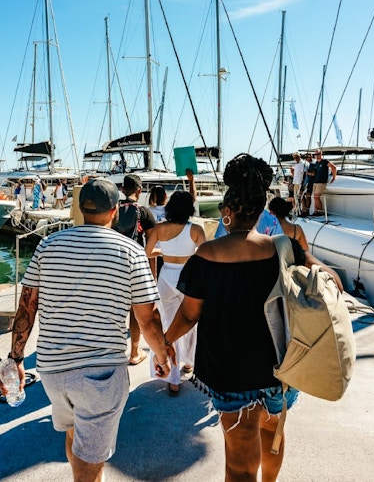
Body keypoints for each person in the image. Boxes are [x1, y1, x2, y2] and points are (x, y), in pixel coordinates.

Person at [163, 153, 343, 482]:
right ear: (261, 212)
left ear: (227, 213)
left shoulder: (206, 256)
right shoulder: (284, 248)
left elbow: (189, 315)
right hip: (280, 367)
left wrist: (164, 343)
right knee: (272, 435)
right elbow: (332, 281)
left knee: (239, 464)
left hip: (229, 371)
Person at [0, 177, 171, 482]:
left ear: (80, 208)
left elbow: (27, 306)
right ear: (115, 210)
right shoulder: (131, 251)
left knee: (75, 436)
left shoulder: (47, 245)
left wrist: (15, 359)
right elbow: (147, 318)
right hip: (100, 376)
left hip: (53, 372)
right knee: (89, 462)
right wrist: (160, 355)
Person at [145, 191, 206, 396]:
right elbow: (205, 255)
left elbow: (147, 253)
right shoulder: (196, 229)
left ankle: (172, 379)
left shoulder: (160, 228)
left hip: (166, 276)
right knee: (190, 321)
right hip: (189, 277)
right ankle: (189, 363)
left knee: (168, 324)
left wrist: (165, 252)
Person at [115, 173, 156, 366]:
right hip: (135, 265)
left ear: (123, 189)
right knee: (134, 309)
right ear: (139, 191)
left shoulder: (113, 210)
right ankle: (134, 352)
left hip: (113, 264)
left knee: (114, 308)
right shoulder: (144, 212)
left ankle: (112, 351)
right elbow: (151, 243)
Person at [312, 149, 337, 215]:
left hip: (321, 182)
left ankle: (321, 212)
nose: (317, 156)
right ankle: (316, 211)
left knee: (316, 197)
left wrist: (334, 177)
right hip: (316, 181)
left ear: (321, 154)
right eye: (315, 155)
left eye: (318, 154)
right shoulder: (316, 163)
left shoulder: (325, 162)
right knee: (315, 197)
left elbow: (334, 167)